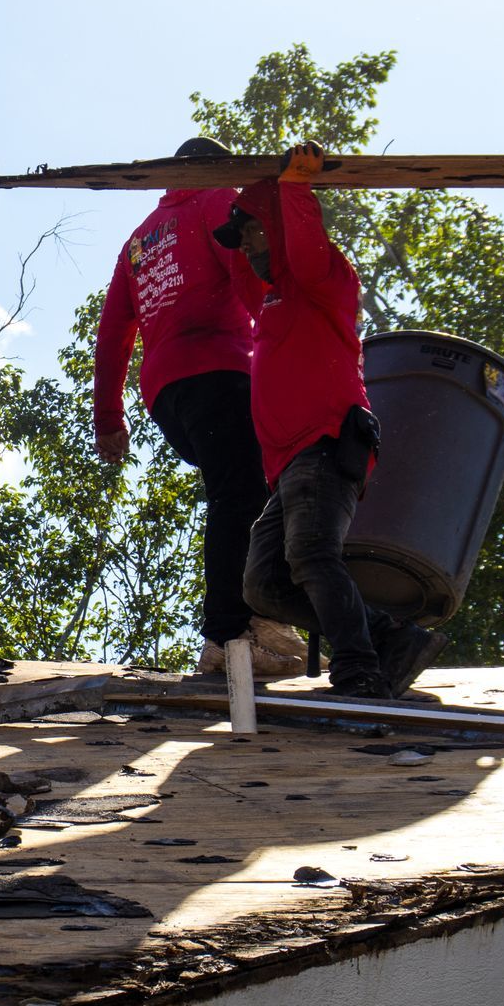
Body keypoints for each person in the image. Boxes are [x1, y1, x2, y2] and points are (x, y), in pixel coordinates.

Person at [218, 142, 447, 698]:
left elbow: (305, 247)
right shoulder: (273, 301)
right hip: (290, 465)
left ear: (274, 226)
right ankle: (390, 638)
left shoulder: (325, 281)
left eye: (250, 229)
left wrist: (293, 189)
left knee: (312, 554)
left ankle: (359, 668)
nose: (245, 244)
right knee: (263, 584)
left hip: (324, 445)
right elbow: (242, 271)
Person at [93, 136, 307, 677]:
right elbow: (242, 272)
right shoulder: (217, 199)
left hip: (169, 395)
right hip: (219, 370)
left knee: (247, 488)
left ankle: (255, 619)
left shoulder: (139, 241)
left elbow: (115, 330)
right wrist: (284, 337)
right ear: (213, 167)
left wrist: (109, 420)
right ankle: (231, 633)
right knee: (242, 493)